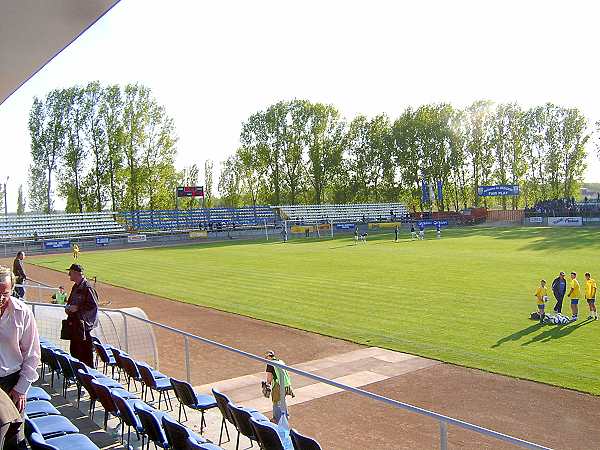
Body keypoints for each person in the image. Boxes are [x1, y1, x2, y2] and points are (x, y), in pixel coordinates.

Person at [0, 265, 41, 449]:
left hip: (11, 384)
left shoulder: (23, 313)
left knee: (14, 438)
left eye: (5, 294)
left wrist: (21, 388)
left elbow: (32, 355)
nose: (0, 298)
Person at [65, 264, 99, 367]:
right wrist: (68, 308)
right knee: (74, 352)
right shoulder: (76, 286)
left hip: (84, 327)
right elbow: (70, 301)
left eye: (70, 272)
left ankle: (89, 379)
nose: (68, 274)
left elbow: (93, 306)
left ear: (76, 273)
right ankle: (80, 376)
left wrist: (77, 308)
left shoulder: (87, 287)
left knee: (85, 356)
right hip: (75, 325)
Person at [264, 350, 294, 424]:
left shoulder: (270, 364)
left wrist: (267, 384)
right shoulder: (280, 361)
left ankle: (277, 419)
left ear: (268, 357)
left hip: (278, 385)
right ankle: (286, 416)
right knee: (282, 400)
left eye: (266, 357)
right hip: (286, 384)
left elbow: (269, 378)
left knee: (276, 401)